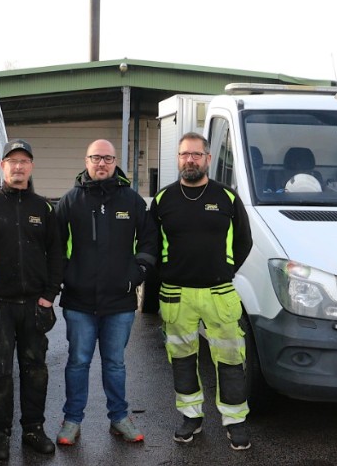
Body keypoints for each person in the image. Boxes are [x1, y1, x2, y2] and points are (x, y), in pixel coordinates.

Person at [148, 132, 254, 451]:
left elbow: (244, 242)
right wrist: (165, 273)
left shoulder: (227, 198)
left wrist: (226, 271)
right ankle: (191, 417)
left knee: (231, 357)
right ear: (178, 159)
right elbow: (151, 244)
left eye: (196, 154)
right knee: (181, 357)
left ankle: (235, 421)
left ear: (208, 158)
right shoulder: (163, 200)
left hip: (219, 293)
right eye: (184, 154)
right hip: (176, 295)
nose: (189, 160)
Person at [53, 139, 158, 446]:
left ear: (115, 163)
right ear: (86, 161)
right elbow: (54, 246)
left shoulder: (132, 201)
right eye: (96, 158)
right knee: (78, 362)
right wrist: (65, 277)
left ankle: (119, 418)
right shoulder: (70, 201)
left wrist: (137, 273)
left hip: (120, 301)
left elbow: (149, 240)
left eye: (107, 159)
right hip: (79, 301)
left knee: (115, 363)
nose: (101, 164)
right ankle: (72, 420)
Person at [0, 139, 62, 460]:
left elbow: (57, 256)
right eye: (12, 161)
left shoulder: (45, 208)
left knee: (35, 371)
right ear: (2, 166)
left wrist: (49, 297)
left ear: (31, 166)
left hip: (35, 306)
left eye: (24, 161)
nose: (18, 167)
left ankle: (34, 429)